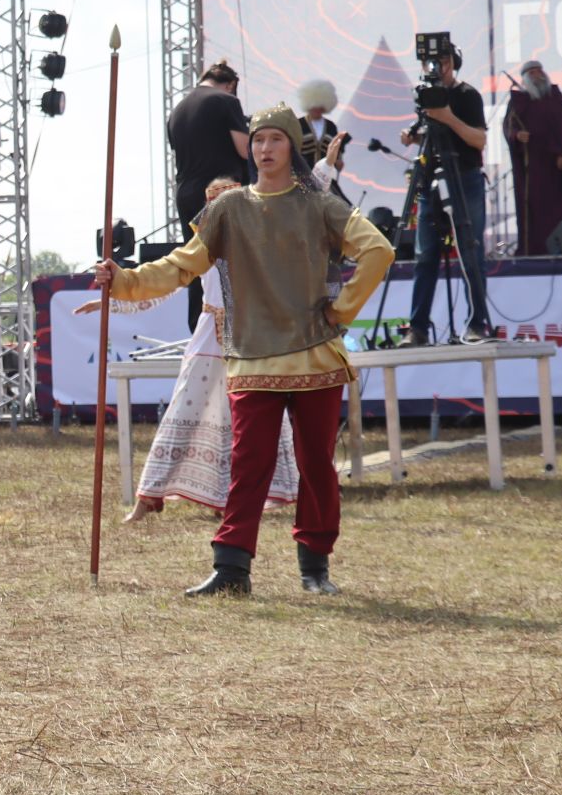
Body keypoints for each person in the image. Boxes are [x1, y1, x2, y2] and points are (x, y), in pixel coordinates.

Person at [93, 106, 394, 598]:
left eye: (276, 139)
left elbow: (378, 249)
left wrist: (341, 311)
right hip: (253, 360)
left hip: (315, 357)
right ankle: (231, 569)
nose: (265, 148)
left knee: (316, 465)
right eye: (258, 140)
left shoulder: (319, 204)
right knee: (248, 463)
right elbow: (179, 266)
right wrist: (124, 279)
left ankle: (315, 568)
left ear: (291, 147)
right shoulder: (228, 209)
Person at [79, 178, 298, 521]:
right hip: (210, 340)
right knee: (182, 413)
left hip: (250, 343)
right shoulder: (202, 250)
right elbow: (161, 288)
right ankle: (148, 497)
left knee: (250, 421)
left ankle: (230, 500)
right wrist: (109, 301)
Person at [401, 44, 493, 343]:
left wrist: (447, 116)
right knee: (424, 255)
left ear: (455, 63)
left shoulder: (467, 95)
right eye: (433, 61)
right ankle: (418, 329)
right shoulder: (425, 95)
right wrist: (414, 137)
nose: (438, 67)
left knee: (470, 250)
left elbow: (478, 140)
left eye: (444, 61)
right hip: (432, 181)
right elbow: (429, 135)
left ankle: (477, 323)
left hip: (464, 178)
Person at [167, 60, 251, 330]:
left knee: (196, 262)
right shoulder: (226, 101)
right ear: (231, 85)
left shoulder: (177, 110)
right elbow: (245, 150)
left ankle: (199, 327)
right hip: (221, 192)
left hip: (186, 193)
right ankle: (232, 328)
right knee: (230, 262)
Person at [503, 59, 562, 256]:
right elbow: (508, 127)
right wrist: (516, 136)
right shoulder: (518, 101)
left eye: (540, 71)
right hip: (533, 169)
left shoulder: (555, 97)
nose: (538, 75)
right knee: (536, 214)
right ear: (525, 78)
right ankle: (535, 250)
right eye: (532, 72)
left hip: (557, 169)